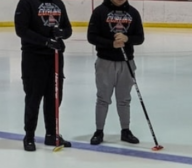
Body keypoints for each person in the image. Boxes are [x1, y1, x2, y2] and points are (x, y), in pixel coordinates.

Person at [15, 0, 74, 151]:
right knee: (33, 97)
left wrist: (62, 33)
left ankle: (52, 134)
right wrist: (45, 42)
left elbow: (67, 28)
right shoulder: (26, 3)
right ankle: (29, 135)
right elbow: (21, 30)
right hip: (34, 58)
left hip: (55, 57)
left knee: (54, 97)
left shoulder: (58, 3)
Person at [87, 0, 145, 146]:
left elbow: (140, 38)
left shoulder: (133, 12)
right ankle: (99, 131)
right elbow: (92, 37)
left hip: (126, 63)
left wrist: (127, 39)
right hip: (105, 62)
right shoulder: (100, 11)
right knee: (103, 98)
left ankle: (125, 130)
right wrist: (110, 44)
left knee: (124, 99)